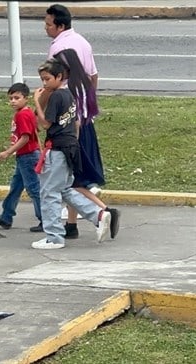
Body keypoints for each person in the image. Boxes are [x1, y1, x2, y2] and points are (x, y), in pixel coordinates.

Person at [44, 4, 118, 238]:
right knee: (74, 175)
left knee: (72, 178)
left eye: (48, 24)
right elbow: (93, 76)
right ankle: (72, 225)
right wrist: (87, 104)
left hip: (68, 124)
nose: (46, 28)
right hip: (84, 116)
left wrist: (41, 103)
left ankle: (103, 211)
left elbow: (50, 84)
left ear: (60, 25)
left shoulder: (60, 49)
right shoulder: (82, 42)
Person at [31, 59, 112, 249]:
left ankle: (54, 237)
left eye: (47, 79)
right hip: (70, 146)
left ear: (59, 77)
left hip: (58, 148)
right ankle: (97, 214)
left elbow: (45, 124)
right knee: (66, 188)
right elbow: (75, 123)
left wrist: (36, 101)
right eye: (42, 79)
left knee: (49, 192)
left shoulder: (56, 96)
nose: (44, 83)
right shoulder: (70, 96)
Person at [53, 49, 120, 239]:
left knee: (73, 182)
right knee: (76, 179)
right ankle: (71, 225)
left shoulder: (67, 90)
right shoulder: (84, 84)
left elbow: (73, 120)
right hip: (87, 130)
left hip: (76, 134)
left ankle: (105, 210)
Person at [0, 83, 43, 233]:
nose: (13, 101)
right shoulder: (27, 112)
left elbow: (25, 137)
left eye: (17, 98)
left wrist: (8, 152)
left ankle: (45, 219)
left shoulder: (22, 115)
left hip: (28, 156)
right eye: (11, 98)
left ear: (26, 98)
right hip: (25, 156)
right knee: (16, 187)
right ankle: (6, 216)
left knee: (33, 188)